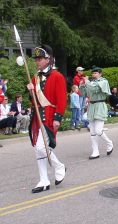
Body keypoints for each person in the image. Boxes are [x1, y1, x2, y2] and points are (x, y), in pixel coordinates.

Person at [26, 44, 67, 193]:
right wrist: (30, 91)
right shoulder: (35, 77)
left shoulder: (57, 76)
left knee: (41, 147)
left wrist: (58, 118)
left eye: (40, 58)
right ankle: (44, 180)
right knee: (39, 150)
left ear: (48, 59)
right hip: (38, 117)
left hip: (50, 117)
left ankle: (59, 166)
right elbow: (35, 101)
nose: (37, 61)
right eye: (36, 58)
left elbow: (62, 99)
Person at [80, 66, 113, 159]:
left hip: (100, 105)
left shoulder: (104, 81)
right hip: (91, 106)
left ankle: (109, 143)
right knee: (93, 132)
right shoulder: (91, 83)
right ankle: (95, 151)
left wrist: (87, 82)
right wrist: (82, 85)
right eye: (93, 73)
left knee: (98, 130)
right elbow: (84, 94)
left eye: (96, 73)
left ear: (100, 74)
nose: (94, 75)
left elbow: (94, 89)